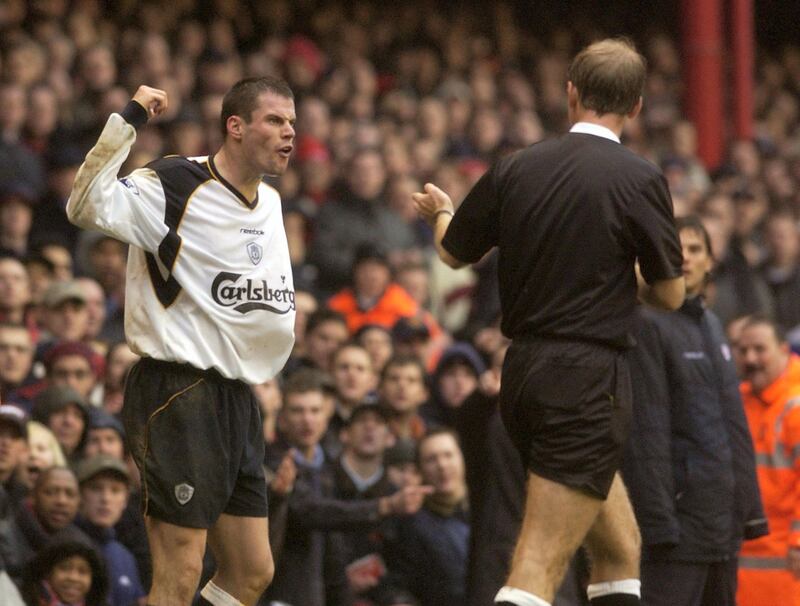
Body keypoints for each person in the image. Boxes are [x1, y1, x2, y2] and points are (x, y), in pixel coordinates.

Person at [413, 38, 685, 606]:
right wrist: (618, 280)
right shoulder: (639, 179)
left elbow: (453, 254)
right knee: (537, 565)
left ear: (570, 94)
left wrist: (442, 210)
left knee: (618, 550)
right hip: (586, 383)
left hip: (523, 375)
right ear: (636, 106)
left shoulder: (517, 166)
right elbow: (670, 293)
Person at [66, 77, 298, 605]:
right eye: (275, 121)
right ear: (235, 126)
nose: (289, 133)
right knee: (180, 568)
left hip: (239, 397)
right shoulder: (175, 182)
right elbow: (84, 205)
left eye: (292, 123)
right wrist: (129, 120)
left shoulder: (271, 204)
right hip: (179, 390)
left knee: (252, 572)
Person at [623, 216, 767, 605]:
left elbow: (734, 425)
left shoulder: (714, 326)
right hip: (677, 533)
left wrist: (750, 511)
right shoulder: (646, 323)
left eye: (695, 249)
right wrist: (658, 524)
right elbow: (646, 430)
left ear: (710, 260)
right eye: (675, 248)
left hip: (722, 527)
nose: (684, 258)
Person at [734, 316, 800, 605]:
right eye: (743, 350)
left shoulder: (794, 406)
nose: (750, 358)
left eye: (760, 349)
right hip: (745, 561)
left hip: (786, 564)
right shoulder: (739, 400)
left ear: (784, 350)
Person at [20, 538, 110, 606]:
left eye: (83, 572)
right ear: (48, 572)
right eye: (64, 568)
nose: (73, 578)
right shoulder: (20, 601)